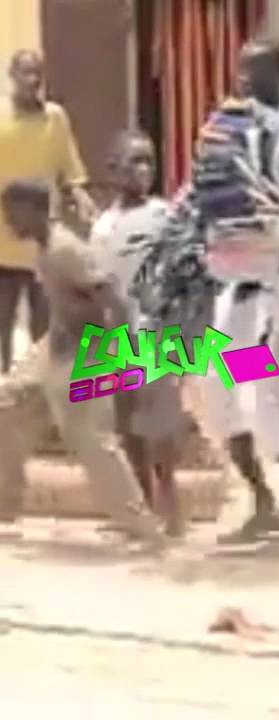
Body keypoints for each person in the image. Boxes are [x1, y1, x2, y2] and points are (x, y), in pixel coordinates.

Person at [202, 39, 279, 552]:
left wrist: (250, 225)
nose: (243, 82)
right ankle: (263, 505)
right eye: (240, 72)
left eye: (254, 73)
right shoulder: (241, 135)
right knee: (213, 387)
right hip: (239, 285)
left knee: (269, 395)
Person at [0, 179, 166, 550]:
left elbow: (112, 299)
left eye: (13, 211)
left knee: (92, 441)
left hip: (87, 351)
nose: (7, 220)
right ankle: (6, 502)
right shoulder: (44, 248)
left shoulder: (65, 250)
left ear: (38, 211)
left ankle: (143, 529)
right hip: (55, 349)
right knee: (7, 407)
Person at [89, 131, 186, 536]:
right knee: (126, 421)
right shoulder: (104, 224)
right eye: (134, 161)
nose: (143, 170)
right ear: (113, 169)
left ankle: (171, 509)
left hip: (156, 332)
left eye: (148, 161)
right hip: (117, 333)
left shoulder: (164, 216)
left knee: (160, 426)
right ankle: (142, 509)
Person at [0, 50, 96, 373]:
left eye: (38, 73)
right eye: (26, 73)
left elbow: (69, 172)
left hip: (43, 244)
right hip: (4, 240)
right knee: (3, 322)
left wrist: (80, 197)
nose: (33, 80)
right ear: (12, 76)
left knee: (46, 326)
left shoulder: (55, 118)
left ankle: (44, 394)